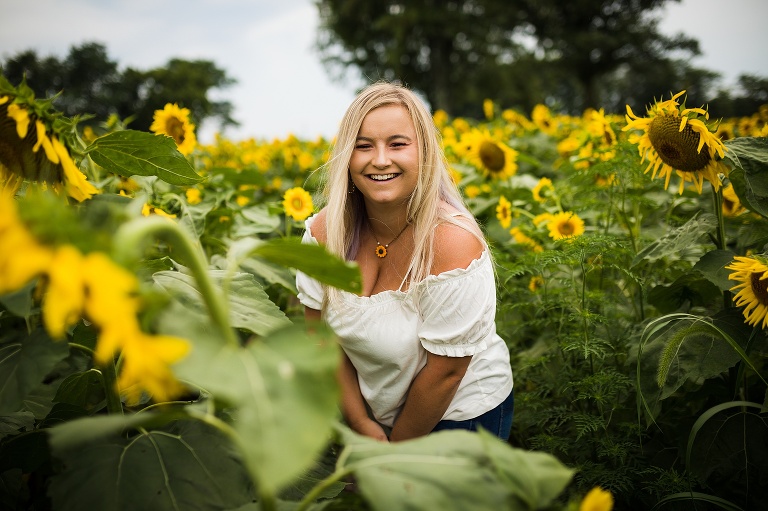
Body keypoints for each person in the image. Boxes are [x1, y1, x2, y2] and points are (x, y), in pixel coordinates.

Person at [296, 81, 514, 442]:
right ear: (347, 157)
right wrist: (361, 424)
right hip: (371, 411)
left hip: (459, 415)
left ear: (425, 153)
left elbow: (446, 373)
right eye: (363, 146)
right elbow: (320, 338)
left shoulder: (452, 244)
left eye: (398, 144)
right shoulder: (322, 235)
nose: (380, 160)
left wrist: (392, 457)